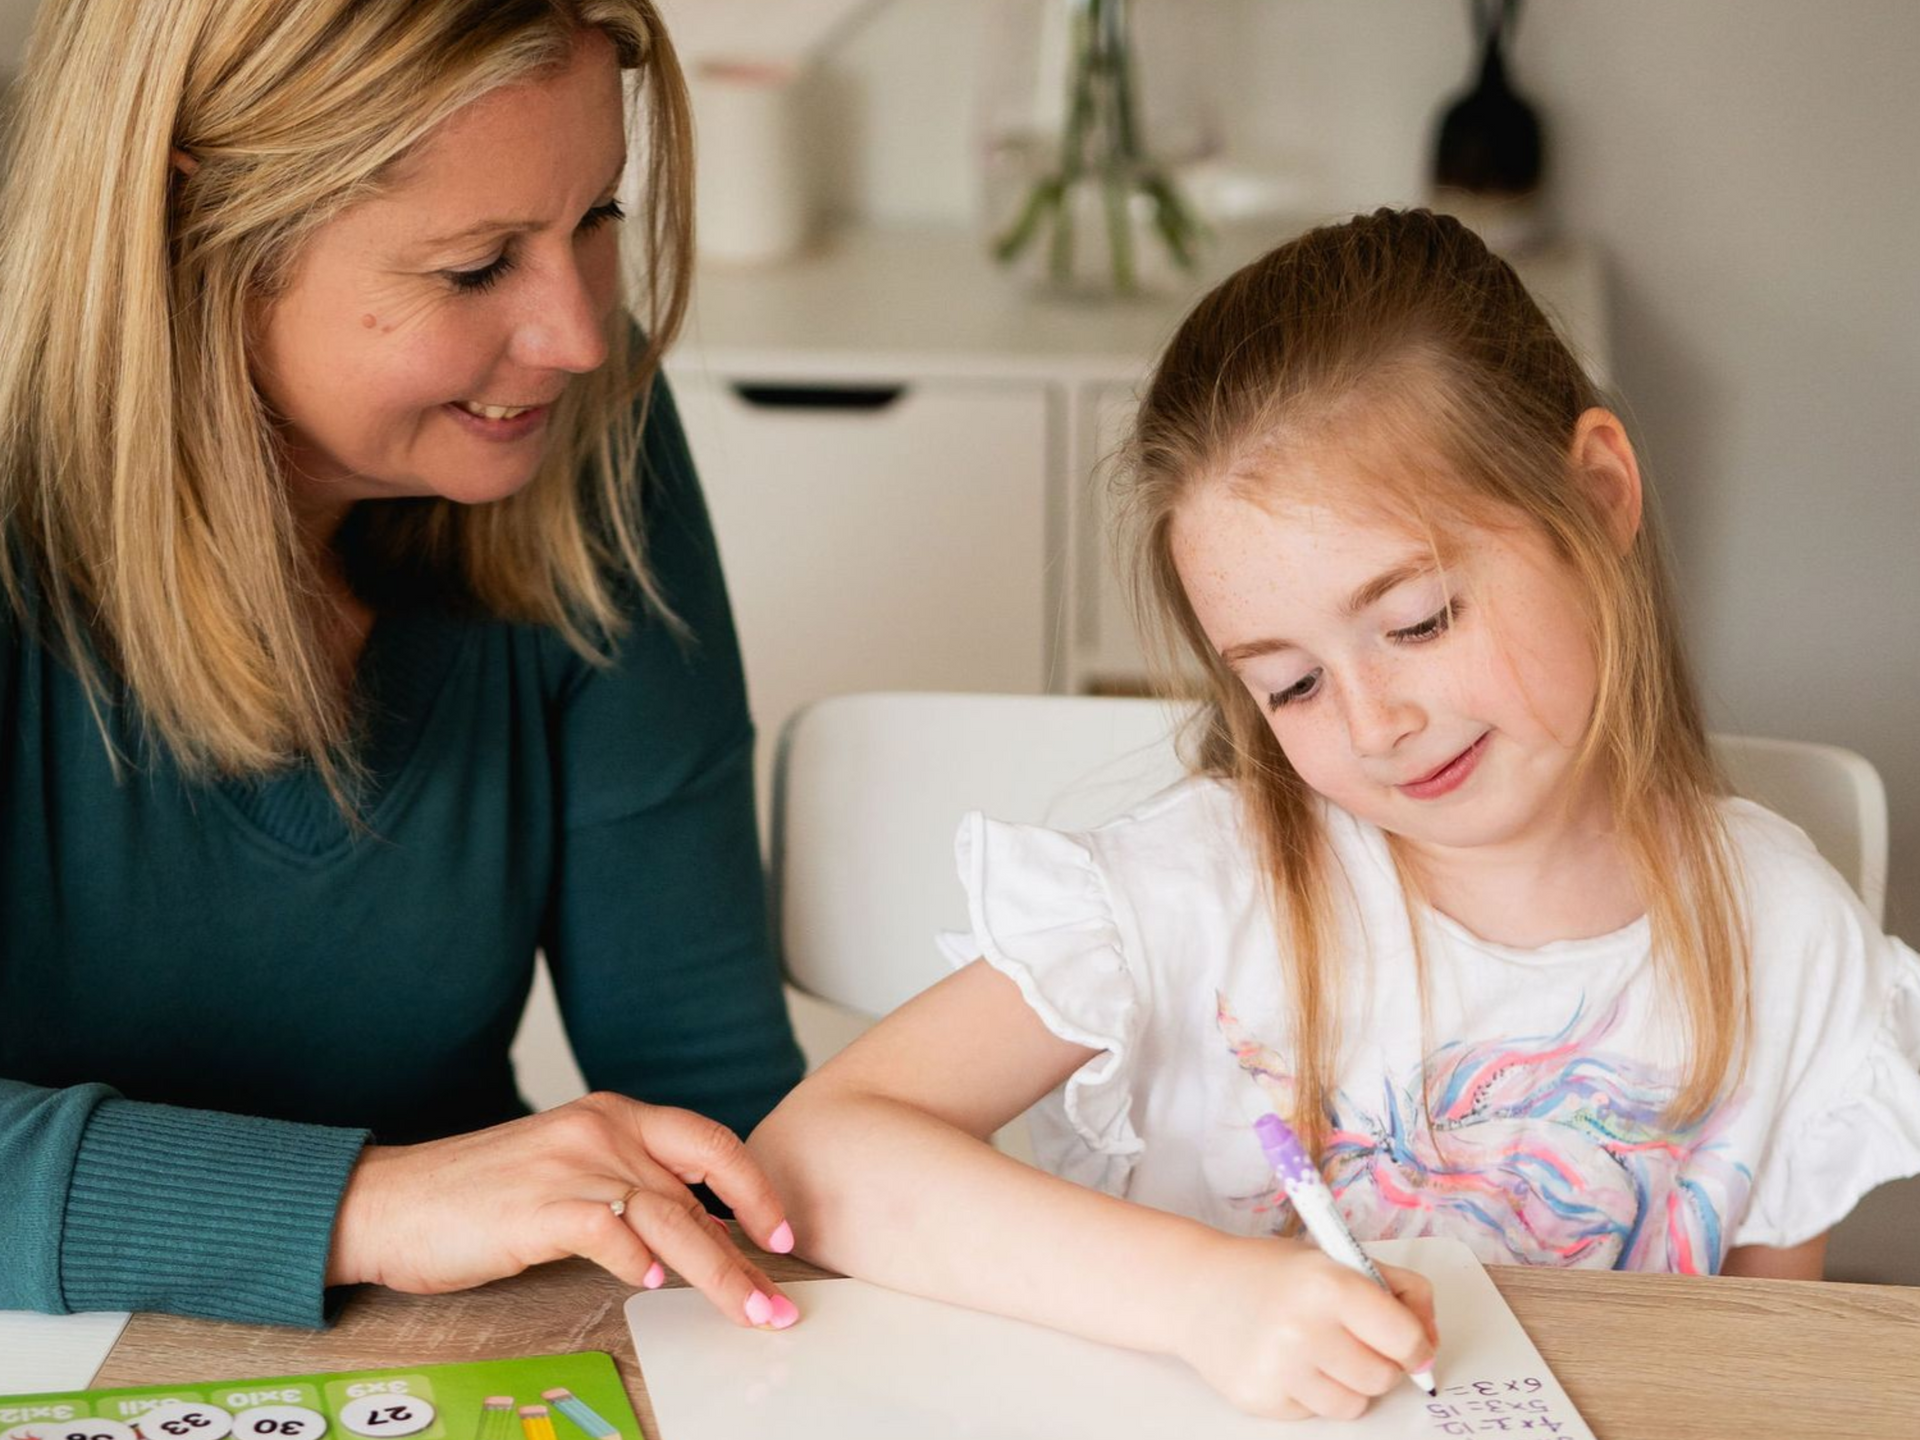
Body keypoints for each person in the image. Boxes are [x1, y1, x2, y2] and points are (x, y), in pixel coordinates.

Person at [748, 208, 1920, 1419]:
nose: (1372, 725)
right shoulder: (1203, 895)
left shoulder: (1790, 941)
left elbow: (1780, 1378)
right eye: (1291, 684)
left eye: (1416, 621)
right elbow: (814, 1156)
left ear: (1601, 496)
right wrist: (1205, 1298)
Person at [0, 0, 806, 1332]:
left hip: (459, 1354)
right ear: (194, 233)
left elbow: (711, 1094)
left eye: (597, 218)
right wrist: (373, 1204)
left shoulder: (583, 445)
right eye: (478, 263)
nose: (579, 336)